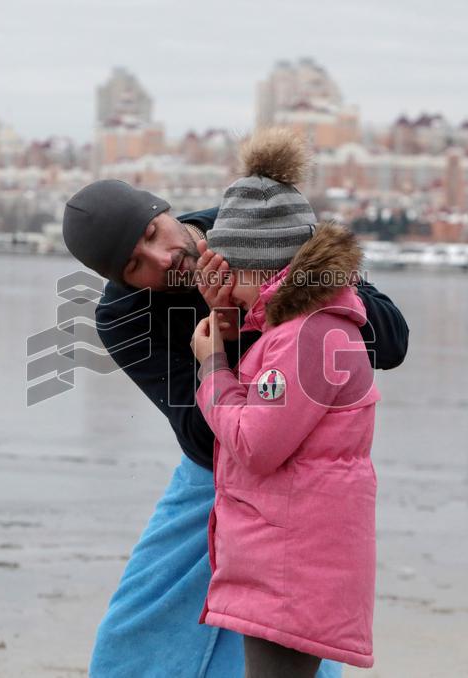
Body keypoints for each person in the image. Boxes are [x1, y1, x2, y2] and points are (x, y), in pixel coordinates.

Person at [62, 137, 409, 677]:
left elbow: (391, 339)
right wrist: (218, 327)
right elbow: (203, 438)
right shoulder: (122, 316)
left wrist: (285, 300)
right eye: (135, 265)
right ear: (120, 281)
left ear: (165, 211)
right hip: (211, 471)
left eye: (154, 233)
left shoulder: (256, 222)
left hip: (304, 470)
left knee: (289, 630)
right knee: (135, 633)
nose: (162, 258)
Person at [189, 128, 379, 676]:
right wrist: (227, 323)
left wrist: (211, 365)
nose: (229, 288)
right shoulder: (302, 328)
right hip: (292, 559)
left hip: (292, 567)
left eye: (234, 275)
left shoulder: (310, 336)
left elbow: (256, 442)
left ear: (264, 267)